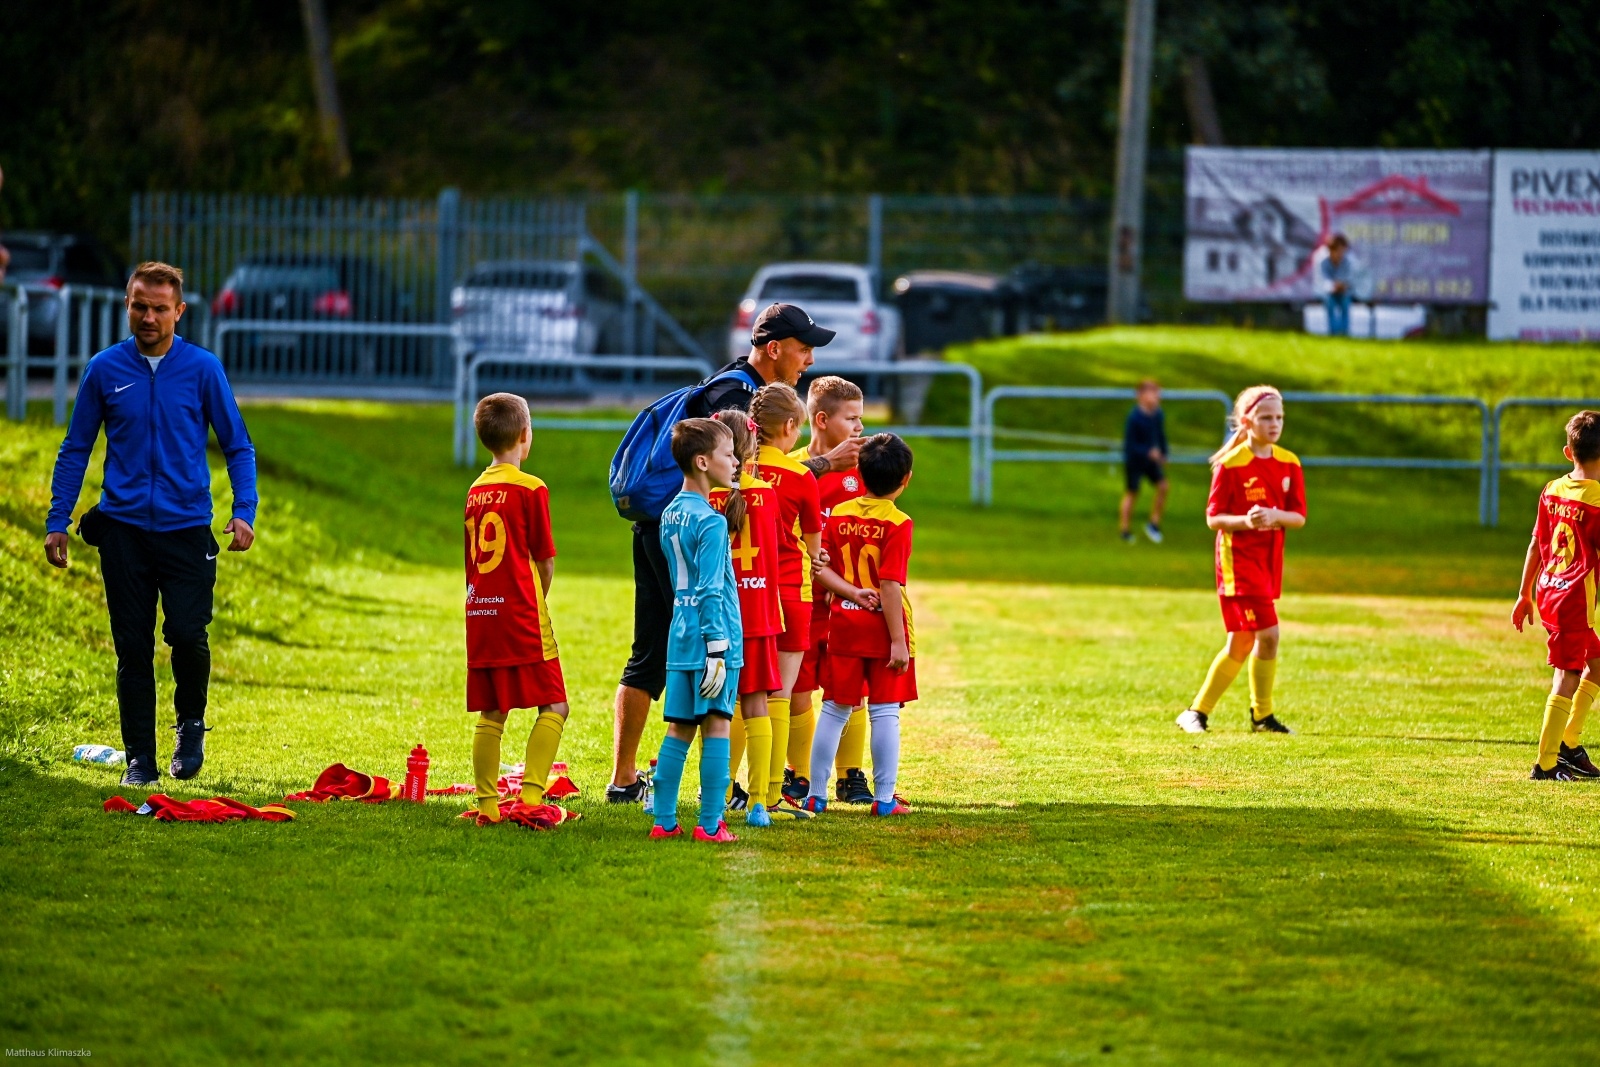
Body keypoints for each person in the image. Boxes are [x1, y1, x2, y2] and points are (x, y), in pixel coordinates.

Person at [608, 302, 854, 804]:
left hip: (659, 522)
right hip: (695, 532)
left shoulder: (721, 380)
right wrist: (823, 465)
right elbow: (752, 479)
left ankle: (625, 778)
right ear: (774, 349)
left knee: (653, 649)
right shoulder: (737, 397)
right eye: (803, 349)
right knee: (716, 652)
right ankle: (722, 786)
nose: (808, 360)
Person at [45, 262, 257, 787]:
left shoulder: (203, 369)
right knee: (132, 645)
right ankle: (140, 756)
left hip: (186, 529)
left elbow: (238, 446)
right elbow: (76, 449)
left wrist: (243, 511)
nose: (148, 316)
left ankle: (190, 726)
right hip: (123, 531)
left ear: (178, 312)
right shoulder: (104, 370)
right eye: (140, 305)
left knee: (187, 634)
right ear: (127, 306)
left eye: (160, 308)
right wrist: (58, 519)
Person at [463, 393, 578, 826]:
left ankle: (487, 806)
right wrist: (538, 598)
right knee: (555, 705)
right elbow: (544, 559)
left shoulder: (475, 489)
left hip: (481, 615)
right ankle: (531, 797)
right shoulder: (532, 488)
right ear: (525, 436)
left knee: (493, 711)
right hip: (521, 615)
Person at [1175, 385, 1305, 735]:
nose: (1274, 423)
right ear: (1247, 421)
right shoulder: (1231, 466)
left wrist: (1274, 514)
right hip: (1238, 563)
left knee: (1243, 641)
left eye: (1279, 417)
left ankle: (1197, 712)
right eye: (1266, 417)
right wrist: (1247, 522)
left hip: (1267, 563)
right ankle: (1260, 716)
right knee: (1269, 634)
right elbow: (1213, 518)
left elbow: (1298, 517)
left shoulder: (1289, 462)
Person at [805, 433, 917, 816]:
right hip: (882, 629)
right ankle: (884, 799)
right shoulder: (899, 523)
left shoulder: (840, 513)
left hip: (844, 624)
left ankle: (816, 794)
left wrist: (850, 593)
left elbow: (822, 570)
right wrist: (898, 642)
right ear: (906, 480)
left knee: (834, 709)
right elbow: (888, 584)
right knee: (885, 711)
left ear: (860, 474)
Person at [708, 409, 809, 826]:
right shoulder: (766, 496)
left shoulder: (707, 497)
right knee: (761, 706)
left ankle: (715, 793)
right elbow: (770, 561)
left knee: (718, 706)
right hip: (761, 615)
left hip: (717, 617)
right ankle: (762, 801)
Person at [647, 418, 744, 842]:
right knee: (719, 725)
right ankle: (710, 824)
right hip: (712, 638)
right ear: (703, 462)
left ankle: (664, 821)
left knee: (679, 728)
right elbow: (709, 589)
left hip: (679, 636)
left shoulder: (670, 513)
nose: (736, 460)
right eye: (728, 454)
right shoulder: (712, 521)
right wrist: (719, 647)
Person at [787, 375, 873, 806]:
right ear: (821, 420)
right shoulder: (799, 467)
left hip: (847, 602)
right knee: (798, 689)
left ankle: (850, 775)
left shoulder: (864, 476)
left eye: (862, 418)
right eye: (851, 418)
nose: (860, 428)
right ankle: (797, 775)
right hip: (803, 599)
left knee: (848, 689)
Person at [1511, 410, 1600, 781]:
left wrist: (1523, 594)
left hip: (1550, 590)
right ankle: (1546, 763)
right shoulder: (1597, 501)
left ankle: (1569, 743)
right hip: (1575, 600)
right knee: (1568, 673)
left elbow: (1536, 542)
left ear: (1568, 452)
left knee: (1597, 664)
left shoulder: (1551, 490)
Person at [751, 383, 825, 810]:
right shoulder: (800, 476)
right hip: (791, 591)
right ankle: (774, 792)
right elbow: (814, 549)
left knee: (744, 691)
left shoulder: (736, 470)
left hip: (746, 593)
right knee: (781, 693)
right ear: (791, 425)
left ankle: (727, 789)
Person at [1120, 379, 1169, 544]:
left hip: (1151, 460)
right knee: (1132, 492)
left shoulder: (1157, 415)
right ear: (1141, 396)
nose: (1156, 397)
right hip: (1136, 460)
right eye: (1153, 393)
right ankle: (1125, 529)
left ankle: (1153, 523)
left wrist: (1163, 453)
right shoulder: (1134, 417)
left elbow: (1160, 436)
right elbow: (1130, 445)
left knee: (1163, 486)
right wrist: (1148, 452)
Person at [1314, 233, 1357, 337]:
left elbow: (1351, 279)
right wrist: (1332, 286)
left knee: (1345, 302)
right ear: (1331, 250)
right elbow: (1321, 280)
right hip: (1327, 292)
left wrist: (1342, 286)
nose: (1340, 254)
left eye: (1342, 251)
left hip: (1344, 291)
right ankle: (1333, 333)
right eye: (1338, 251)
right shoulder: (1321, 259)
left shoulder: (1349, 260)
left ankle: (1344, 333)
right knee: (1330, 302)